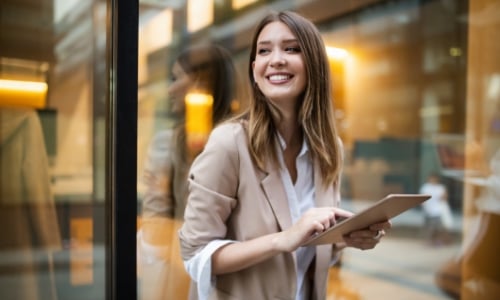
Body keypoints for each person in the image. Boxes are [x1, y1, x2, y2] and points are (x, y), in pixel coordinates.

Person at [178, 11, 391, 300]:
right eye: (264, 51)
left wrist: (348, 238)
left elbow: (309, 253)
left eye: (291, 49)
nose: (275, 59)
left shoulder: (329, 150)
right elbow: (194, 255)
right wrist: (283, 240)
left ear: (314, 64)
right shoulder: (230, 144)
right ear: (255, 68)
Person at [138, 44, 239, 300]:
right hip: (238, 274)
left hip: (186, 274)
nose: (170, 89)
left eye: (176, 78)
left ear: (200, 82)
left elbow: (156, 232)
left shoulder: (169, 144)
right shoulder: (247, 139)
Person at [419, 172, 452, 246]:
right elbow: (422, 199)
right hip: (428, 211)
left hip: (438, 211)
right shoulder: (426, 187)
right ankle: (430, 241)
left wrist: (443, 197)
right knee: (429, 228)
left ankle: (438, 241)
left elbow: (444, 198)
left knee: (438, 228)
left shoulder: (440, 187)